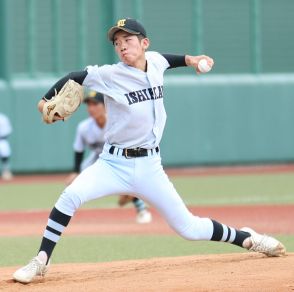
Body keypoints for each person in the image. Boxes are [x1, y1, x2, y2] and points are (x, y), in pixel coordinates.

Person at [13, 18, 285, 284]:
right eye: (117, 42)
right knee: (70, 195)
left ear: (144, 43)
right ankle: (41, 260)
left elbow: (169, 59)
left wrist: (192, 59)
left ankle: (248, 238)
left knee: (188, 228)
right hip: (112, 164)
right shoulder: (110, 75)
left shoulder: (154, 61)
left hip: (150, 167)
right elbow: (75, 77)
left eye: (128, 40)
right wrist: (43, 101)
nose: (122, 46)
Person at [66, 90, 152, 224]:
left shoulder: (117, 123)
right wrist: (75, 171)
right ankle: (68, 212)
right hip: (97, 157)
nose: (91, 108)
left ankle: (140, 208)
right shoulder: (83, 127)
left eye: (95, 104)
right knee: (75, 181)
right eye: (89, 105)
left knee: (126, 178)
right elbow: (79, 149)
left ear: (105, 106)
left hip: (118, 156)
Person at [0, 112, 13, 180]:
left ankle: (6, 172)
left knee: (5, 156)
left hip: (2, 140)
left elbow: (8, 130)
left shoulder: (3, 118)